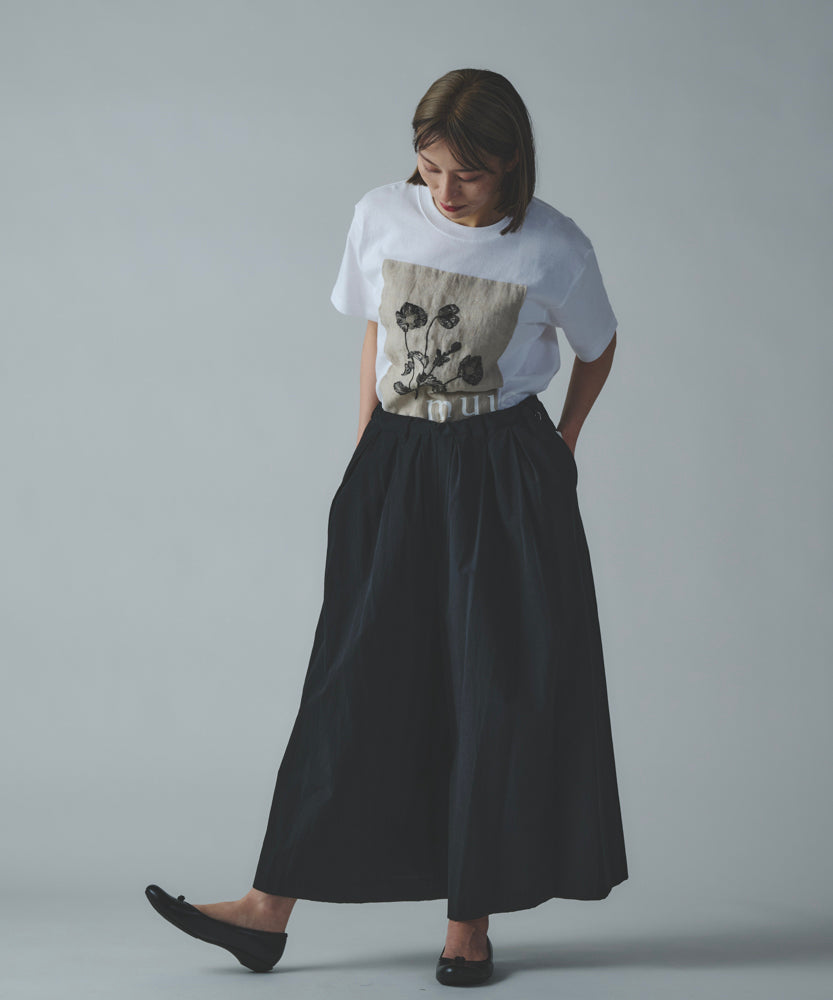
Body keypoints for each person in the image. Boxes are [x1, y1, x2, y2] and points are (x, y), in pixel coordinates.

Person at [145, 67, 628, 987]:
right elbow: (374, 328)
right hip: (397, 461)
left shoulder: (553, 246)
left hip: (502, 473)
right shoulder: (380, 214)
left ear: (510, 161)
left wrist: (563, 442)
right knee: (351, 678)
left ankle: (467, 928)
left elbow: (597, 348)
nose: (443, 190)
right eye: (429, 166)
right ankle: (265, 911)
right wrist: (368, 442)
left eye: (466, 173)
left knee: (488, 685)